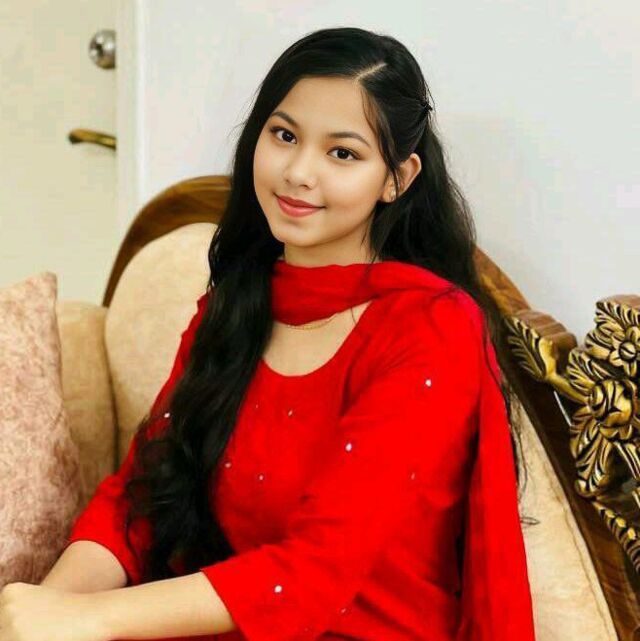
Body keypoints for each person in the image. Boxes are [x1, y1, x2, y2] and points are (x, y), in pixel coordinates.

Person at [12, 26, 536, 641]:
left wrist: (90, 619)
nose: (298, 172)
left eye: (343, 154)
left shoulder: (430, 329)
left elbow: (314, 572)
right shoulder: (236, 305)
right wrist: (47, 609)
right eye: (284, 135)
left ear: (397, 178)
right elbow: (143, 498)